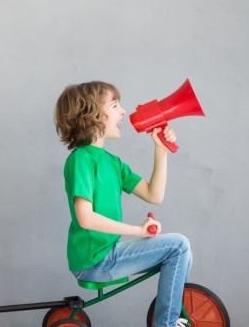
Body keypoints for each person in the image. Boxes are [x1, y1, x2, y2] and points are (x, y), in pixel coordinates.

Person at [55, 81, 193, 327]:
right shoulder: (82, 160)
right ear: (92, 116)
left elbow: (154, 195)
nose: (124, 111)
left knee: (181, 251)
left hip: (106, 255)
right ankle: (166, 324)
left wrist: (160, 150)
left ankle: (167, 319)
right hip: (95, 261)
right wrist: (138, 231)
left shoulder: (112, 162)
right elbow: (85, 218)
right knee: (179, 246)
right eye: (115, 105)